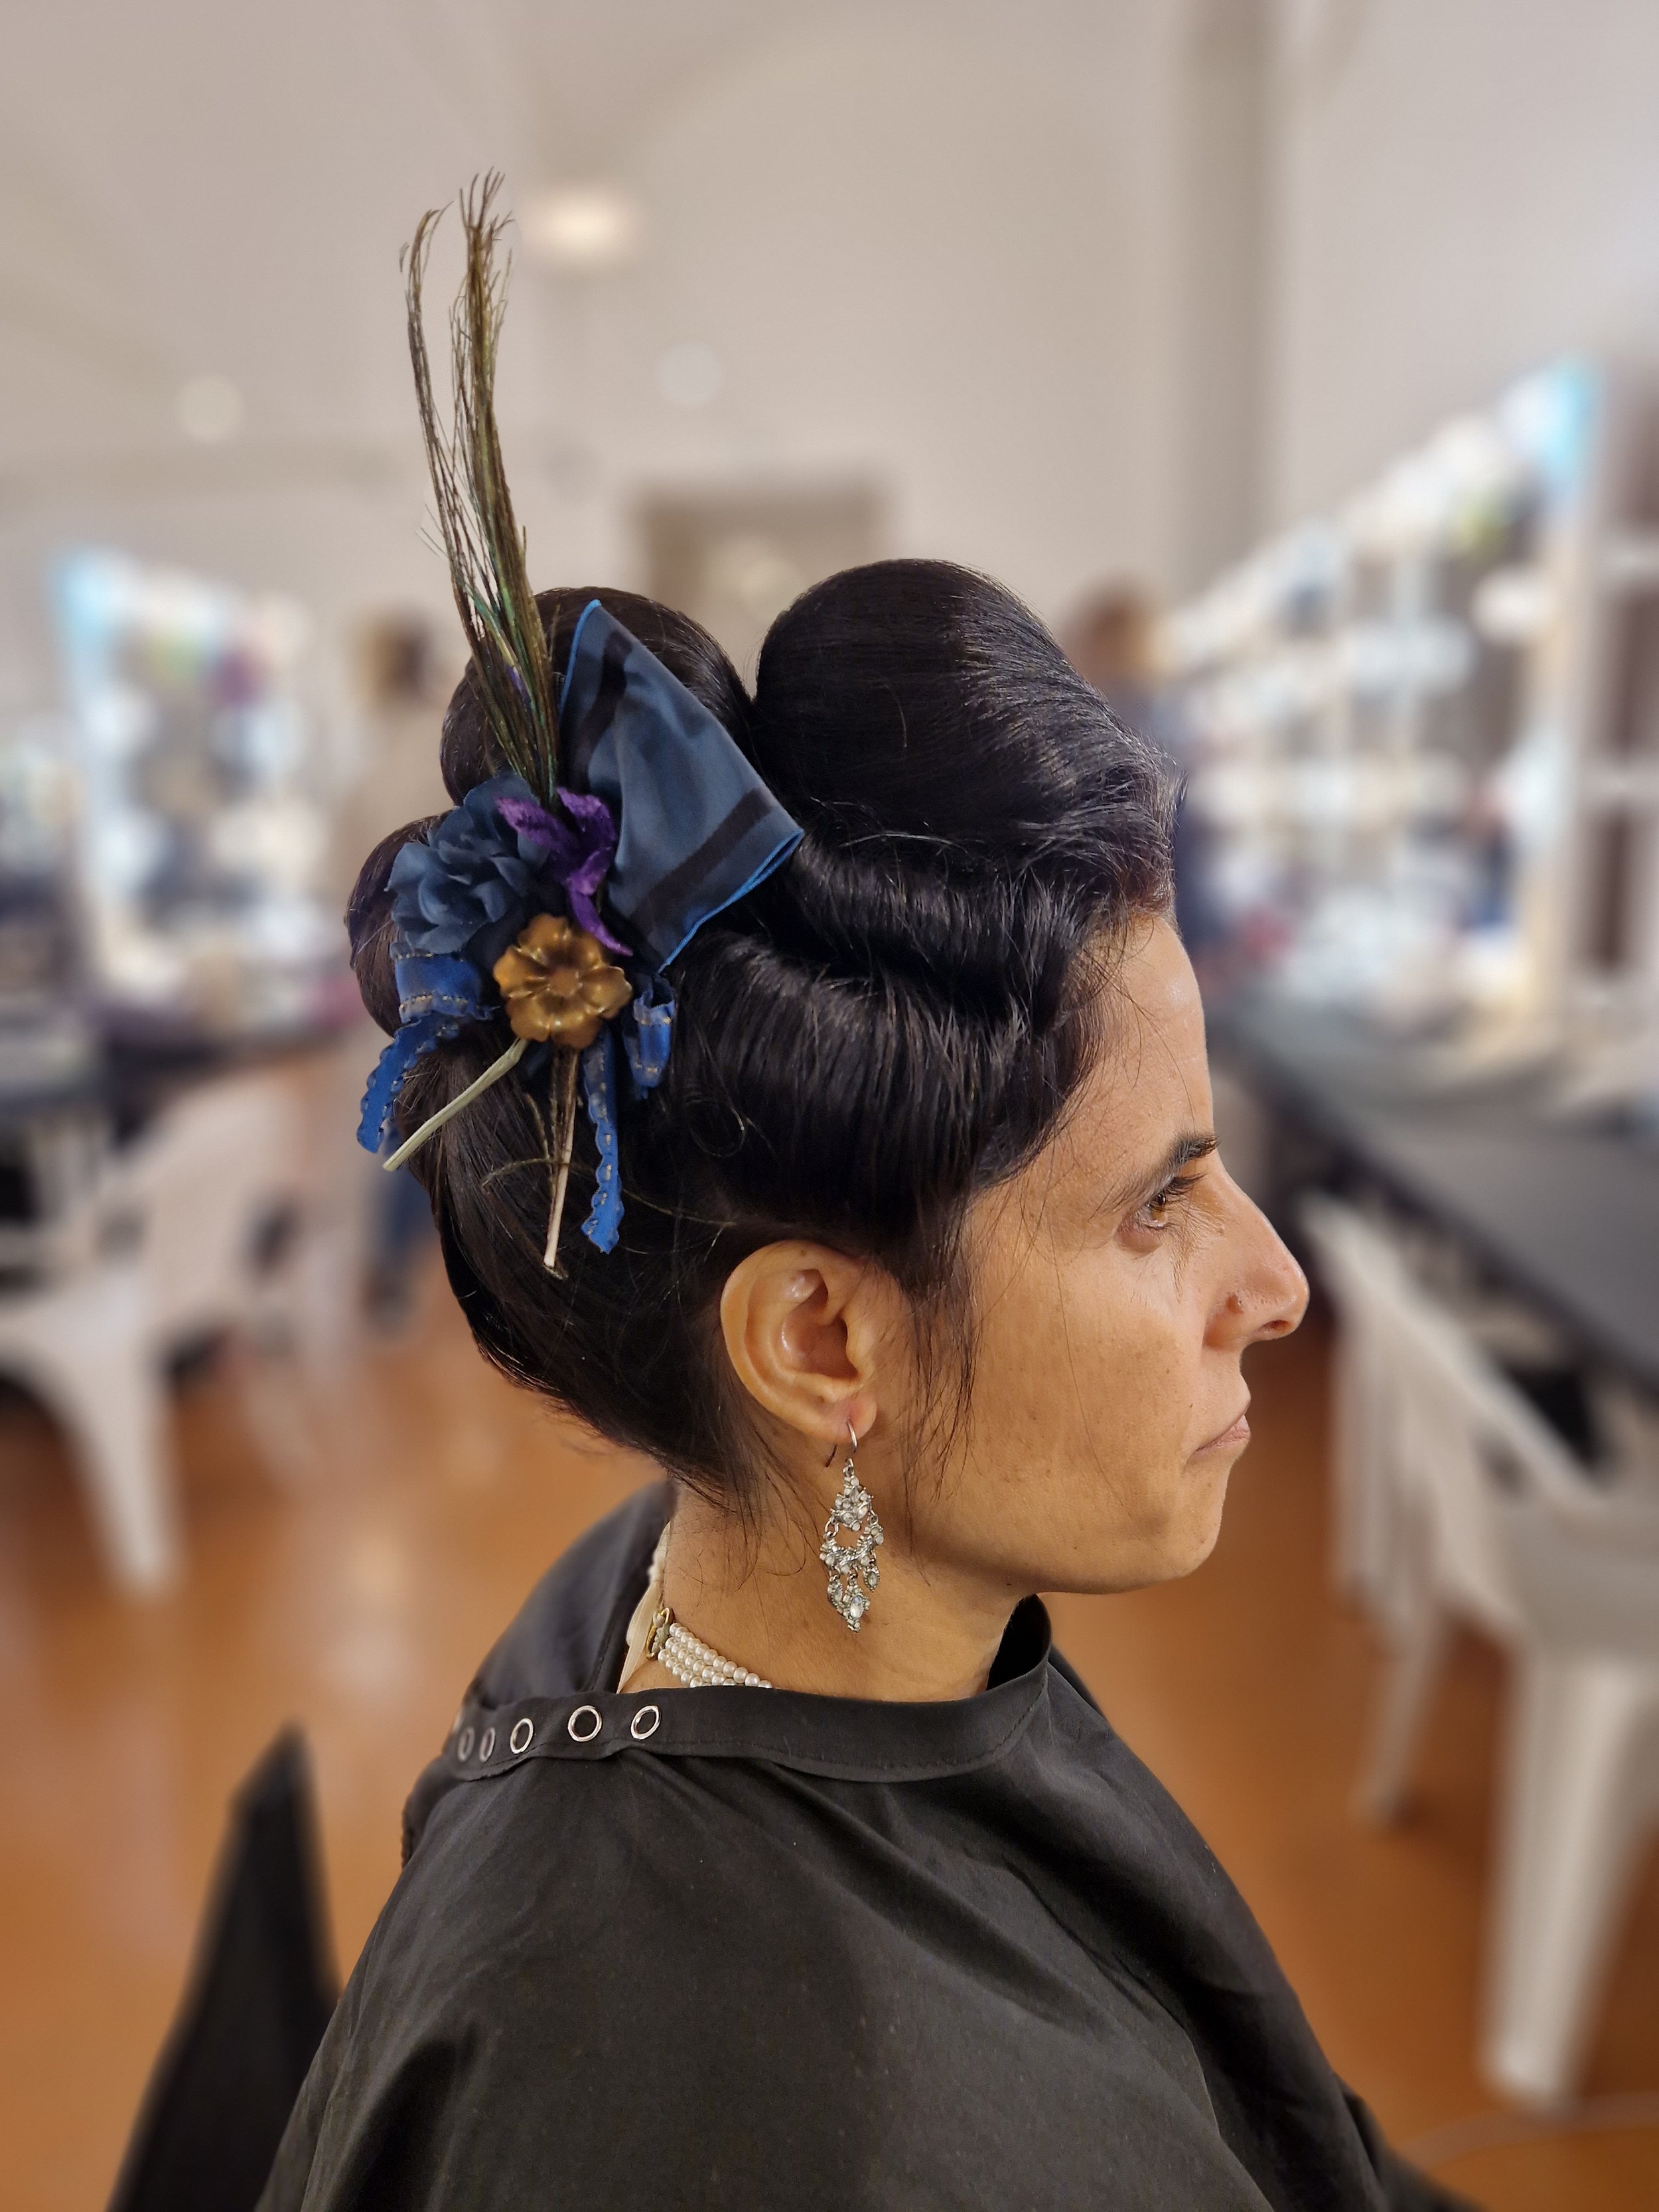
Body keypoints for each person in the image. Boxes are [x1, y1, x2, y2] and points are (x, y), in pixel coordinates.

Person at [261, 188, 1467, 2211]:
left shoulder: (690, 1614)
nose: (1271, 1282)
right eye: (1158, 1207)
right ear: (825, 1340)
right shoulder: (782, 2131)